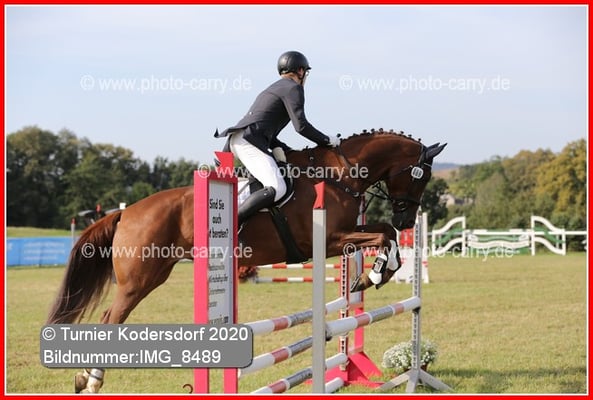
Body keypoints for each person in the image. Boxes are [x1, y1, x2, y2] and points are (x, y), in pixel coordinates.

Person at [215, 50, 340, 226]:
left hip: (237, 140)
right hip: (249, 141)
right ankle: (231, 223)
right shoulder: (293, 88)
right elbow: (301, 126)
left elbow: (269, 133)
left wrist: (289, 150)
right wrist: (327, 140)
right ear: (300, 71)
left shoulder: (274, 87)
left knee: (273, 176)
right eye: (305, 72)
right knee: (277, 188)